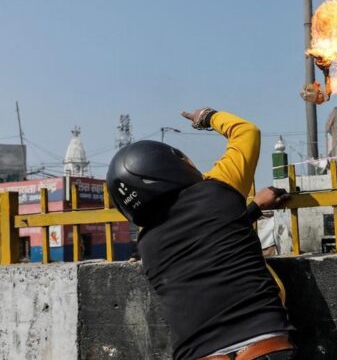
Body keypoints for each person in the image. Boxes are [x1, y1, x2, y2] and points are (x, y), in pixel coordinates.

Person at [107, 108, 295, 360]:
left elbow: (204, 237)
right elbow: (247, 132)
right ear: (170, 166)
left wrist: (252, 209)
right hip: (264, 343)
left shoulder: (147, 244)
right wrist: (206, 116)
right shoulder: (219, 189)